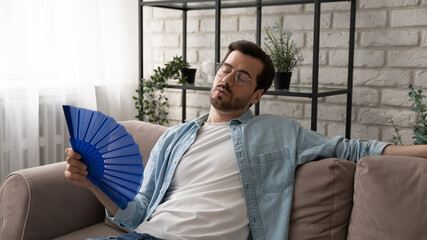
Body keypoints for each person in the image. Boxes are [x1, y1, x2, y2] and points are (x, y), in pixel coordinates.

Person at [65, 40, 427, 240]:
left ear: (256, 94)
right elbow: (136, 212)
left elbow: (354, 149)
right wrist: (91, 182)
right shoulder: (174, 137)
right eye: (225, 69)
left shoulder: (279, 132)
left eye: (241, 77)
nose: (226, 79)